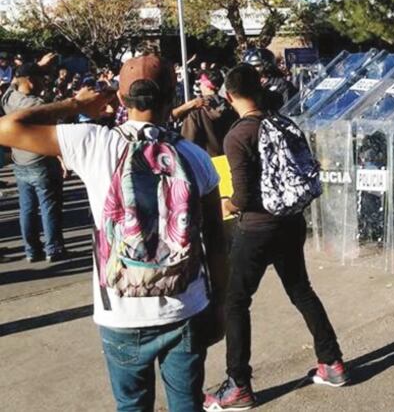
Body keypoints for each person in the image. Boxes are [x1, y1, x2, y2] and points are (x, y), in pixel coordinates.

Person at [0, 54, 228, 411]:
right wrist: (220, 307)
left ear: (121, 100)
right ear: (172, 98)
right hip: (186, 305)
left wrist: (75, 103)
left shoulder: (92, 144)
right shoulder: (194, 157)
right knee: (187, 404)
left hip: (120, 313)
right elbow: (216, 241)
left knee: (132, 406)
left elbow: (6, 127)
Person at [204, 64, 348, 410]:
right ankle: (332, 363)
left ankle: (239, 385)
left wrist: (226, 203)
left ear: (228, 95)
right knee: (301, 290)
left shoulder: (238, 135)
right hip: (290, 222)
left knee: (236, 302)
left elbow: (242, 194)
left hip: (255, 229)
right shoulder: (283, 123)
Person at [2, 63, 66, 262]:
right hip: (41, 161)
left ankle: (32, 250)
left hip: (20, 161)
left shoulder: (8, 98)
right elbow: (54, 133)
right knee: (49, 206)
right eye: (40, 79)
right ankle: (53, 248)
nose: (43, 83)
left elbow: (12, 83)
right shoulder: (37, 105)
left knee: (27, 209)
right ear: (31, 81)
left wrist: (34, 66)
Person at [176, 70, 238, 157]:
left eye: (201, 83)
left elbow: (188, 144)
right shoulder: (232, 107)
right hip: (229, 159)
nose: (200, 86)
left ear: (206, 85)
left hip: (205, 163)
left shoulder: (195, 111)